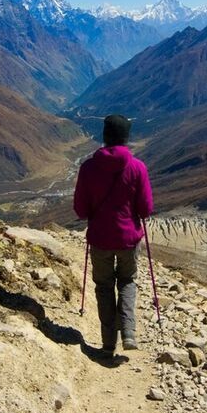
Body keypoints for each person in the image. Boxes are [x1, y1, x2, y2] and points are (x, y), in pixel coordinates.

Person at [73, 114, 154, 354]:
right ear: (126, 138)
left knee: (104, 286)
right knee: (127, 281)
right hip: (129, 239)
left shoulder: (88, 168)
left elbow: (80, 210)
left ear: (105, 136)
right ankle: (129, 333)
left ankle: (108, 343)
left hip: (100, 239)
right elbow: (146, 209)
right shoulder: (138, 168)